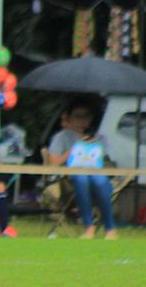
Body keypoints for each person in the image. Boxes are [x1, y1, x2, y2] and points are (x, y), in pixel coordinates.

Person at [47, 98, 118, 240]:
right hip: (68, 182)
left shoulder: (100, 139)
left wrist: (97, 152)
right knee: (81, 177)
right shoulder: (61, 138)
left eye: (87, 116)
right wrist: (72, 151)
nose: (83, 121)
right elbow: (53, 166)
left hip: (98, 178)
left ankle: (110, 229)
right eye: (78, 116)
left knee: (98, 179)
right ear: (69, 118)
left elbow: (109, 164)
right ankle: (88, 228)